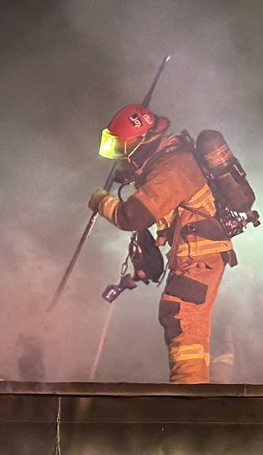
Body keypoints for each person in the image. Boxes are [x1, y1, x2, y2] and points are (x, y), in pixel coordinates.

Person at [87, 104, 237, 384]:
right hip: (195, 257)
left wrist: (100, 201)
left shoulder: (173, 168)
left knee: (180, 315)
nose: (123, 158)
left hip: (198, 258)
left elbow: (131, 216)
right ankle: (193, 392)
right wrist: (139, 273)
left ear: (142, 143)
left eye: (124, 149)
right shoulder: (167, 163)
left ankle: (188, 394)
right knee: (183, 318)